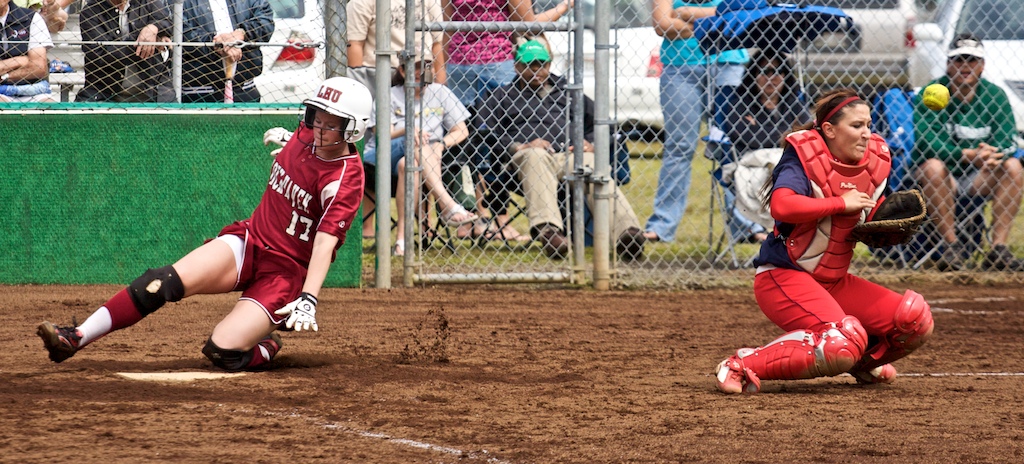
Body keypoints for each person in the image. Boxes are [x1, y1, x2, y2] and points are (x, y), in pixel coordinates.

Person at [37, 76, 372, 371]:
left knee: (223, 351)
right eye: (316, 116)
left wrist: (309, 298)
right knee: (160, 282)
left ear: (353, 129)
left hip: (284, 274)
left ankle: (267, 346)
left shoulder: (346, 178)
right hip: (250, 240)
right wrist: (291, 144)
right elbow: (307, 150)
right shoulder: (307, 135)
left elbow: (325, 243)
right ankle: (77, 337)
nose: (319, 127)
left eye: (332, 123)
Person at [714, 89, 935, 394]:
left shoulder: (874, 163)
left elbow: (867, 215)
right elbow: (782, 206)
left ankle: (860, 362)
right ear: (829, 130)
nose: (866, 134)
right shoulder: (803, 158)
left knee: (914, 320)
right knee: (840, 341)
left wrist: (880, 228)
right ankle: (742, 363)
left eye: (869, 125)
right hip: (783, 277)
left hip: (833, 282)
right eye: (856, 126)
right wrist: (840, 204)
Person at [476, 37, 646, 261]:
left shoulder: (569, 92)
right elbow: (484, 131)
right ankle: (550, 233)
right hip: (522, 163)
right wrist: (519, 146)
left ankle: (627, 235)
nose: (536, 70)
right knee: (535, 155)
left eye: (542, 64)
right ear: (516, 66)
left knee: (591, 163)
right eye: (529, 65)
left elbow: (603, 123)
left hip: (569, 156)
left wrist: (590, 144)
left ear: (549, 64)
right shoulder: (500, 97)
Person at [913, 33, 1023, 271]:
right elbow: (926, 143)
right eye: (959, 59)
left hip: (979, 176)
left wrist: (994, 154)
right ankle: (952, 246)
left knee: (1013, 167)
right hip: (943, 177)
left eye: (972, 60)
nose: (965, 65)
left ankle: (998, 250)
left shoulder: (994, 95)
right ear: (948, 64)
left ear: (982, 66)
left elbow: (1008, 140)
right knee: (933, 166)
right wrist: (966, 155)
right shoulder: (933, 93)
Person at [643, 0, 748, 243]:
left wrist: (685, 14)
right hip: (680, 68)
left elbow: (741, 18)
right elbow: (662, 24)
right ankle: (662, 225)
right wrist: (714, 21)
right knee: (679, 147)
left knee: (732, 145)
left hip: (728, 63)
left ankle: (747, 224)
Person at [361, 58, 478, 256]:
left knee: (408, 165)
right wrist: (409, 129)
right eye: (415, 67)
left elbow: (461, 131)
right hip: (380, 157)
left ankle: (401, 241)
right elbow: (383, 133)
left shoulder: (440, 92)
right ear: (403, 71)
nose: (420, 72)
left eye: (425, 67)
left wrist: (442, 144)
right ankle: (448, 204)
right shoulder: (389, 94)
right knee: (414, 142)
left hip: (424, 159)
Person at [721, 48, 811, 243]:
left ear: (786, 76)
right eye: (764, 72)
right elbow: (741, 135)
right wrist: (783, 134)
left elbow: (806, 135)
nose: (771, 78)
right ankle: (756, 228)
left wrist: (759, 129)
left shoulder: (794, 103)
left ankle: (788, 225)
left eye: (777, 72)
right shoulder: (740, 103)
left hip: (786, 163)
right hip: (750, 161)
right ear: (753, 75)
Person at [443, 0, 571, 108]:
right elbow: (528, 23)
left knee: (463, 126)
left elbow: (447, 26)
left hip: (458, 60)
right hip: (496, 59)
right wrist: (565, 5)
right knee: (506, 120)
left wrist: (443, 69)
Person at [76, 0, 174, 103]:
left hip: (155, 91)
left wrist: (153, 28)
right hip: (103, 93)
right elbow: (100, 56)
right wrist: (143, 41)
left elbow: (166, 21)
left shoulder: (147, 2)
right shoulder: (91, 11)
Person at [347, 0, 446, 101]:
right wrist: (358, 89)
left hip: (420, 75)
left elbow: (437, 44)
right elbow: (355, 44)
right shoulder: (362, 2)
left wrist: (439, 88)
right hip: (377, 77)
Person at [180, 0, 274, 103]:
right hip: (197, 91)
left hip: (244, 89)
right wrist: (215, 44)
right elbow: (179, 29)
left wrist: (242, 34)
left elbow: (265, 21)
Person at [0, 0, 57, 102]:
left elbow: (39, 68)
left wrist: (5, 75)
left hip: (33, 89)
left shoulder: (30, 18)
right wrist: (23, 61)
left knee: (51, 107)